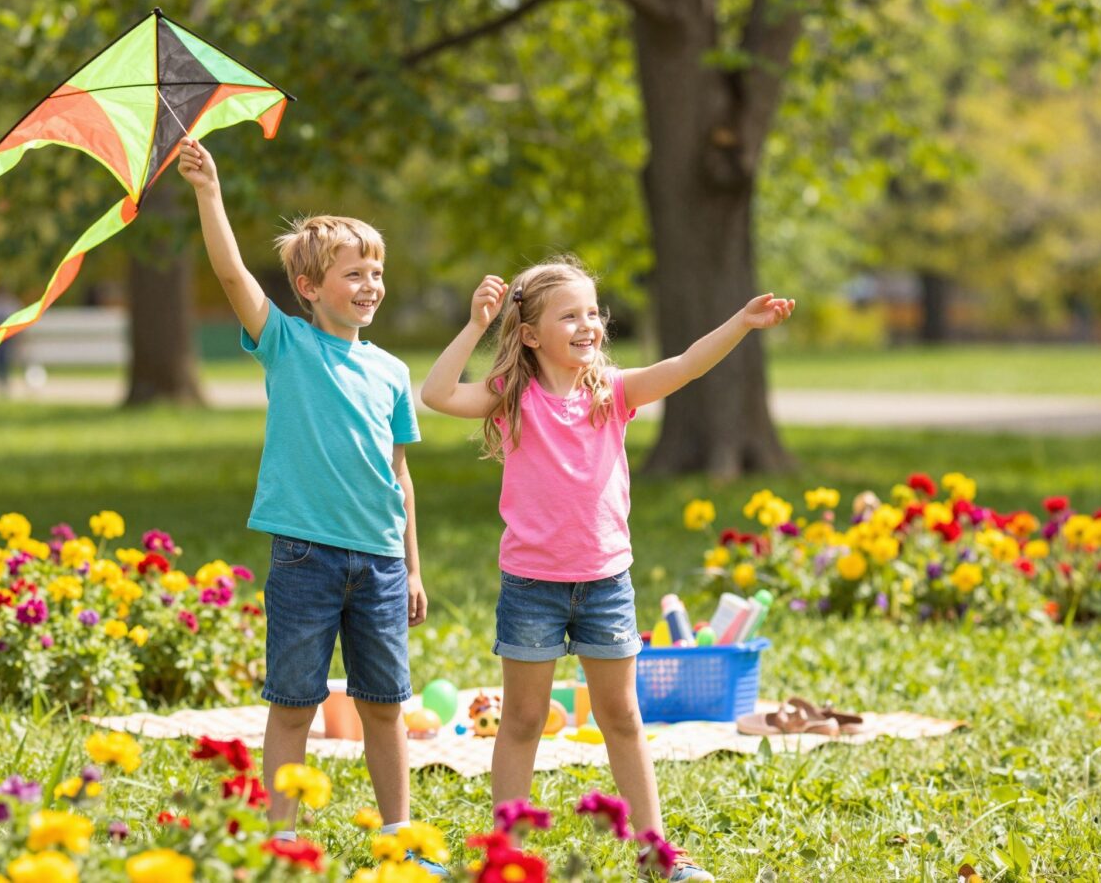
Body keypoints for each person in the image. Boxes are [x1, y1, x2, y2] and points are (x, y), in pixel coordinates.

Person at [421, 256, 795, 881]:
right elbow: (436, 394)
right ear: (530, 334)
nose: (588, 324)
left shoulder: (612, 393)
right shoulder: (511, 396)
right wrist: (476, 325)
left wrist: (741, 323)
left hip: (605, 584)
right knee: (522, 720)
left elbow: (685, 365)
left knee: (621, 717)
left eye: (593, 312)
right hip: (531, 586)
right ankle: (506, 852)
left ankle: (656, 853)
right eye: (569, 315)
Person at [177, 138, 444, 876]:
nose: (370, 284)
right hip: (304, 556)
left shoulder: (391, 371)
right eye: (354, 273)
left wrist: (413, 567)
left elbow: (401, 477)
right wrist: (209, 192)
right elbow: (230, 274)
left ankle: (399, 836)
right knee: (294, 703)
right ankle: (281, 843)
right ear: (308, 286)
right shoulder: (286, 344)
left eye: (377, 272)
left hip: (381, 563)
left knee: (384, 704)